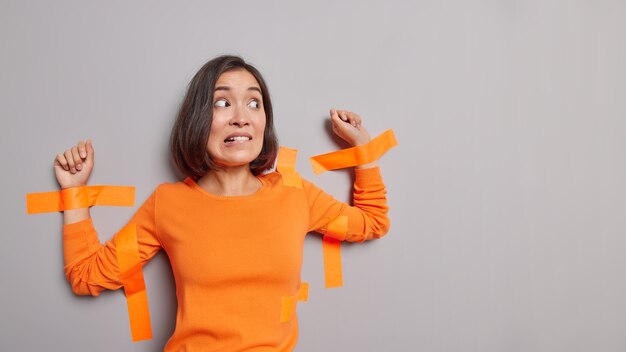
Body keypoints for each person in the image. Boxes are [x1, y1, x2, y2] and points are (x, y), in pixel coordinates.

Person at [54, 55, 390, 351]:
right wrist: (74, 192)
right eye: (222, 103)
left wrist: (363, 149)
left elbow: (373, 222)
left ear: (264, 123)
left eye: (254, 103)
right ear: (198, 119)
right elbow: (86, 275)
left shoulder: (294, 193)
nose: (241, 117)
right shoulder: (168, 205)